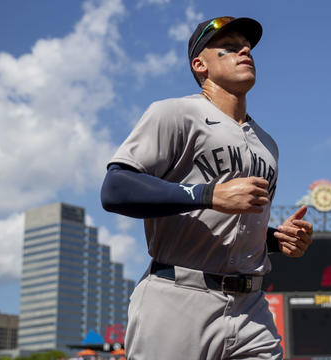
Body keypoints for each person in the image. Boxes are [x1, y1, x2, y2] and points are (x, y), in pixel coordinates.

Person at [101, 16, 313, 359]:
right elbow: (115, 189)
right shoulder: (174, 113)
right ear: (201, 65)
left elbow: (232, 225)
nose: (244, 51)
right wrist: (208, 194)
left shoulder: (267, 144)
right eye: (228, 48)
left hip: (251, 307)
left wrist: (275, 239)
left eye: (246, 47)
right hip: (178, 297)